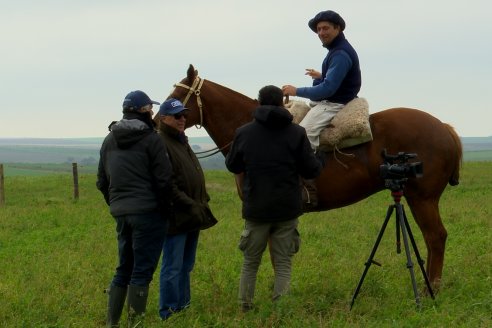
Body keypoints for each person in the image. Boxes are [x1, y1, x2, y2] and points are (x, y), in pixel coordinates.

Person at [225, 85, 324, 312]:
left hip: (256, 209)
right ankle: (281, 308)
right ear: (282, 103)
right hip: (287, 208)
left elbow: (233, 165)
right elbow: (311, 170)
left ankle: (245, 306)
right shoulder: (296, 133)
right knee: (283, 262)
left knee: (250, 262)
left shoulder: (244, 132)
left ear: (259, 103)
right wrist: (321, 160)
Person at [97, 90, 173, 327]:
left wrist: (117, 205)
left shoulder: (109, 139)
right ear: (143, 111)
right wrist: (164, 210)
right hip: (149, 212)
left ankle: (112, 323)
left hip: (121, 212)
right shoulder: (152, 139)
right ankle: (135, 324)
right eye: (150, 108)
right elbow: (164, 180)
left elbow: (101, 181)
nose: (153, 112)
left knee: (123, 267)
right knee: (142, 270)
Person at [157, 98, 217, 320]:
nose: (182, 119)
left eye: (184, 115)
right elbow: (166, 184)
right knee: (172, 266)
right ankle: (169, 312)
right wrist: (191, 204)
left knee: (186, 264)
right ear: (163, 118)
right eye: (177, 116)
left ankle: (183, 307)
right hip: (176, 215)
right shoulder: (161, 142)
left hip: (192, 212)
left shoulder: (181, 140)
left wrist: (201, 201)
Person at [282, 9, 362, 151]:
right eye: (318, 29)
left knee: (302, 135)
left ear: (337, 28)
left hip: (335, 103)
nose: (321, 33)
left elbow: (327, 89)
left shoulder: (340, 54)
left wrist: (295, 91)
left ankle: (308, 171)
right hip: (338, 98)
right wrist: (321, 76)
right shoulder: (337, 49)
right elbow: (337, 78)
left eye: (325, 28)